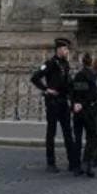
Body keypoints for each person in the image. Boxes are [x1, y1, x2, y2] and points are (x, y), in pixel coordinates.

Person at [30, 38, 80, 174]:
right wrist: (46, 89)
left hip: (63, 101)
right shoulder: (50, 64)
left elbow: (67, 82)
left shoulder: (65, 64)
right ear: (58, 49)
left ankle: (73, 162)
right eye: (65, 49)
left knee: (68, 133)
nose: (67, 51)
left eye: (67, 49)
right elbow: (35, 77)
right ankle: (51, 163)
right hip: (53, 102)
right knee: (51, 133)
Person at [70, 52, 97, 177]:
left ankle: (77, 166)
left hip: (78, 110)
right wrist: (81, 103)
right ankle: (87, 162)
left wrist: (75, 104)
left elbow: (75, 91)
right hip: (88, 110)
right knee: (91, 137)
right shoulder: (92, 75)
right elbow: (91, 94)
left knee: (77, 139)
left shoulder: (79, 75)